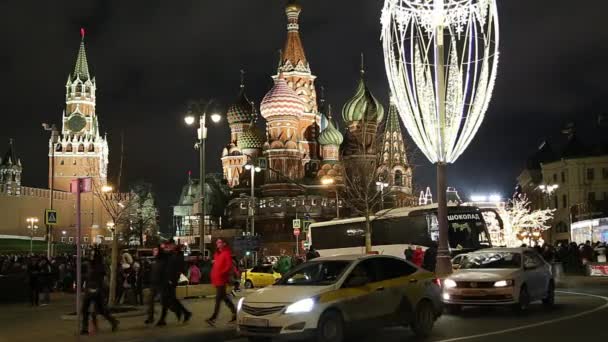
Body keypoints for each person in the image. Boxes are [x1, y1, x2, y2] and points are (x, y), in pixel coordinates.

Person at [81, 248, 119, 335]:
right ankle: (85, 328)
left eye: (93, 254)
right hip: (89, 289)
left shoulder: (100, 266)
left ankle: (113, 322)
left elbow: (101, 278)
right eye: (91, 254)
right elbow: (87, 275)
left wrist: (97, 288)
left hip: (96, 290)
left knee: (101, 310)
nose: (91, 256)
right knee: (85, 309)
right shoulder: (90, 265)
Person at [157, 242, 191, 326]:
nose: (168, 247)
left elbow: (178, 269)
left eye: (171, 245)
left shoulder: (177, 256)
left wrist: (172, 279)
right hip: (167, 280)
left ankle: (184, 313)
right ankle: (164, 319)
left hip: (171, 281)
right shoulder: (170, 255)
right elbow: (162, 257)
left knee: (171, 299)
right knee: (168, 300)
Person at [206, 238, 237, 327]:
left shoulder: (226, 253)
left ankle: (213, 318)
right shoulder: (216, 254)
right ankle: (235, 313)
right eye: (217, 242)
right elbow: (217, 265)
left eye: (219, 242)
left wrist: (221, 273)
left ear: (224, 244)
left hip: (222, 280)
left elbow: (228, 266)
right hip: (217, 279)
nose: (217, 243)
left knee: (218, 299)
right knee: (224, 298)